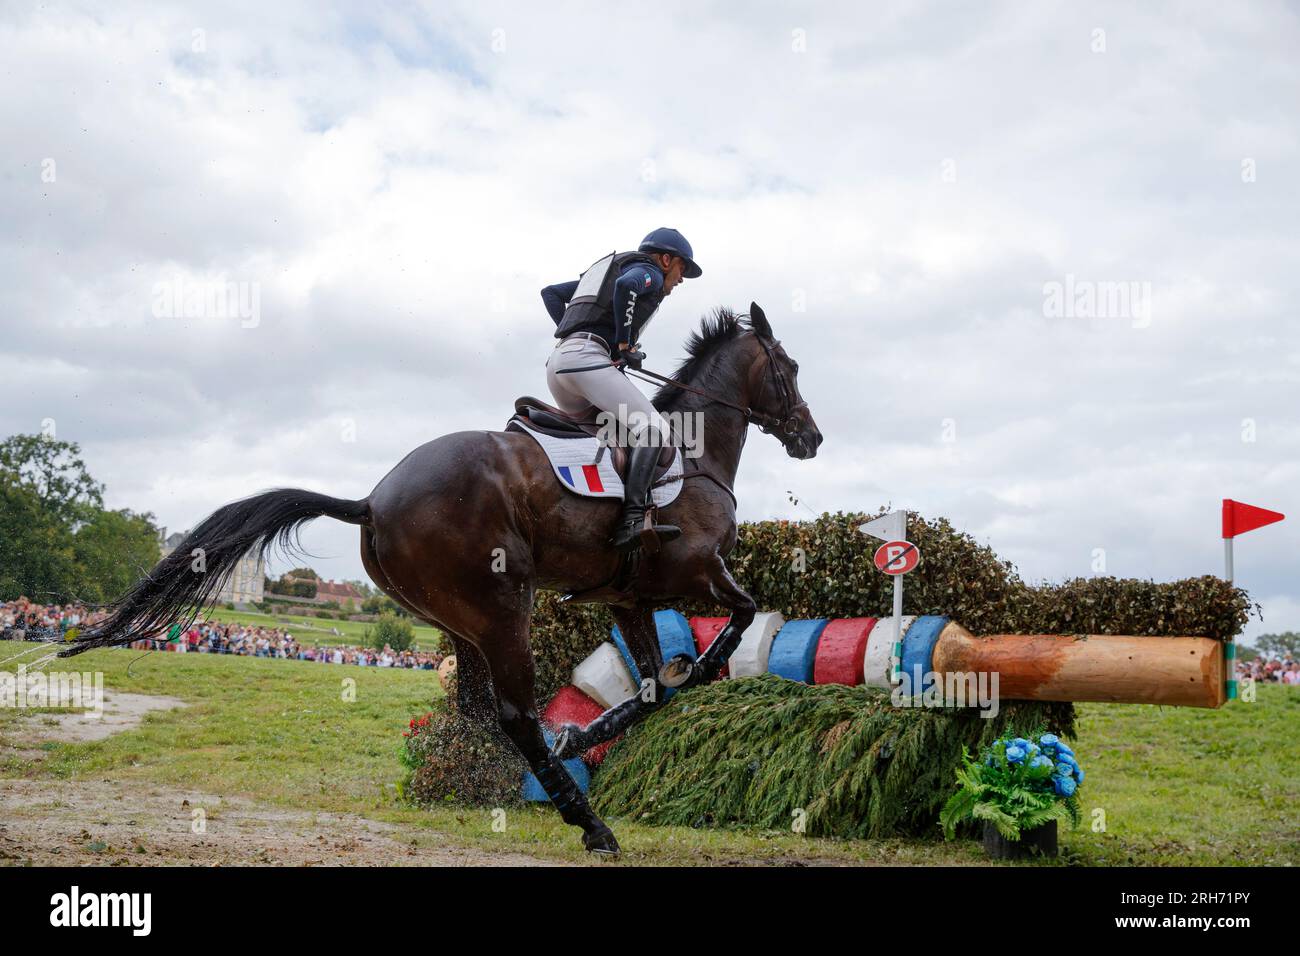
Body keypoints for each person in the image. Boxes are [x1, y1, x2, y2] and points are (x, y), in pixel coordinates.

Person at [540, 227, 702, 551]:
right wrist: (624, 343)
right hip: (586, 360)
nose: (681, 279)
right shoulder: (650, 273)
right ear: (666, 259)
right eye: (682, 268)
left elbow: (551, 294)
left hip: (559, 366)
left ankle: (595, 512)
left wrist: (573, 333)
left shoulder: (607, 276)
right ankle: (632, 520)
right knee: (655, 429)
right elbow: (627, 287)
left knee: (613, 435)